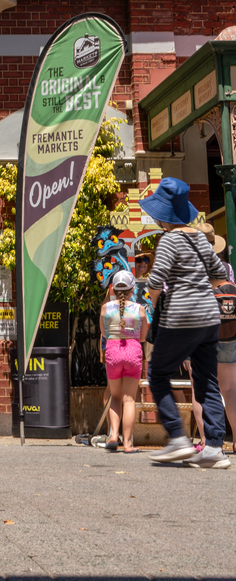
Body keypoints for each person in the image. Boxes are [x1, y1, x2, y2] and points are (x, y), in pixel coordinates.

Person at [141, 178, 230, 468]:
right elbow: (220, 277)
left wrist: (149, 304)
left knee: (157, 374)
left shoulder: (169, 240)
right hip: (208, 318)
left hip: (180, 317)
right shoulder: (199, 240)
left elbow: (157, 279)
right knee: (207, 381)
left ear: (162, 214)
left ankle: (178, 438)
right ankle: (215, 448)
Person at [99, 270, 146, 453]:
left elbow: (104, 333)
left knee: (115, 397)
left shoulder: (106, 308)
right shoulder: (139, 309)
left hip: (113, 351)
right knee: (129, 399)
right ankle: (127, 444)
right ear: (132, 289)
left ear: (113, 288)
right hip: (133, 351)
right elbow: (143, 337)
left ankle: (112, 436)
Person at [209, 266, 236, 451]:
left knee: (205, 390)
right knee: (230, 391)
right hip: (231, 340)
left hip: (209, 341)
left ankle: (208, 441)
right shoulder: (233, 288)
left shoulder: (206, 290)